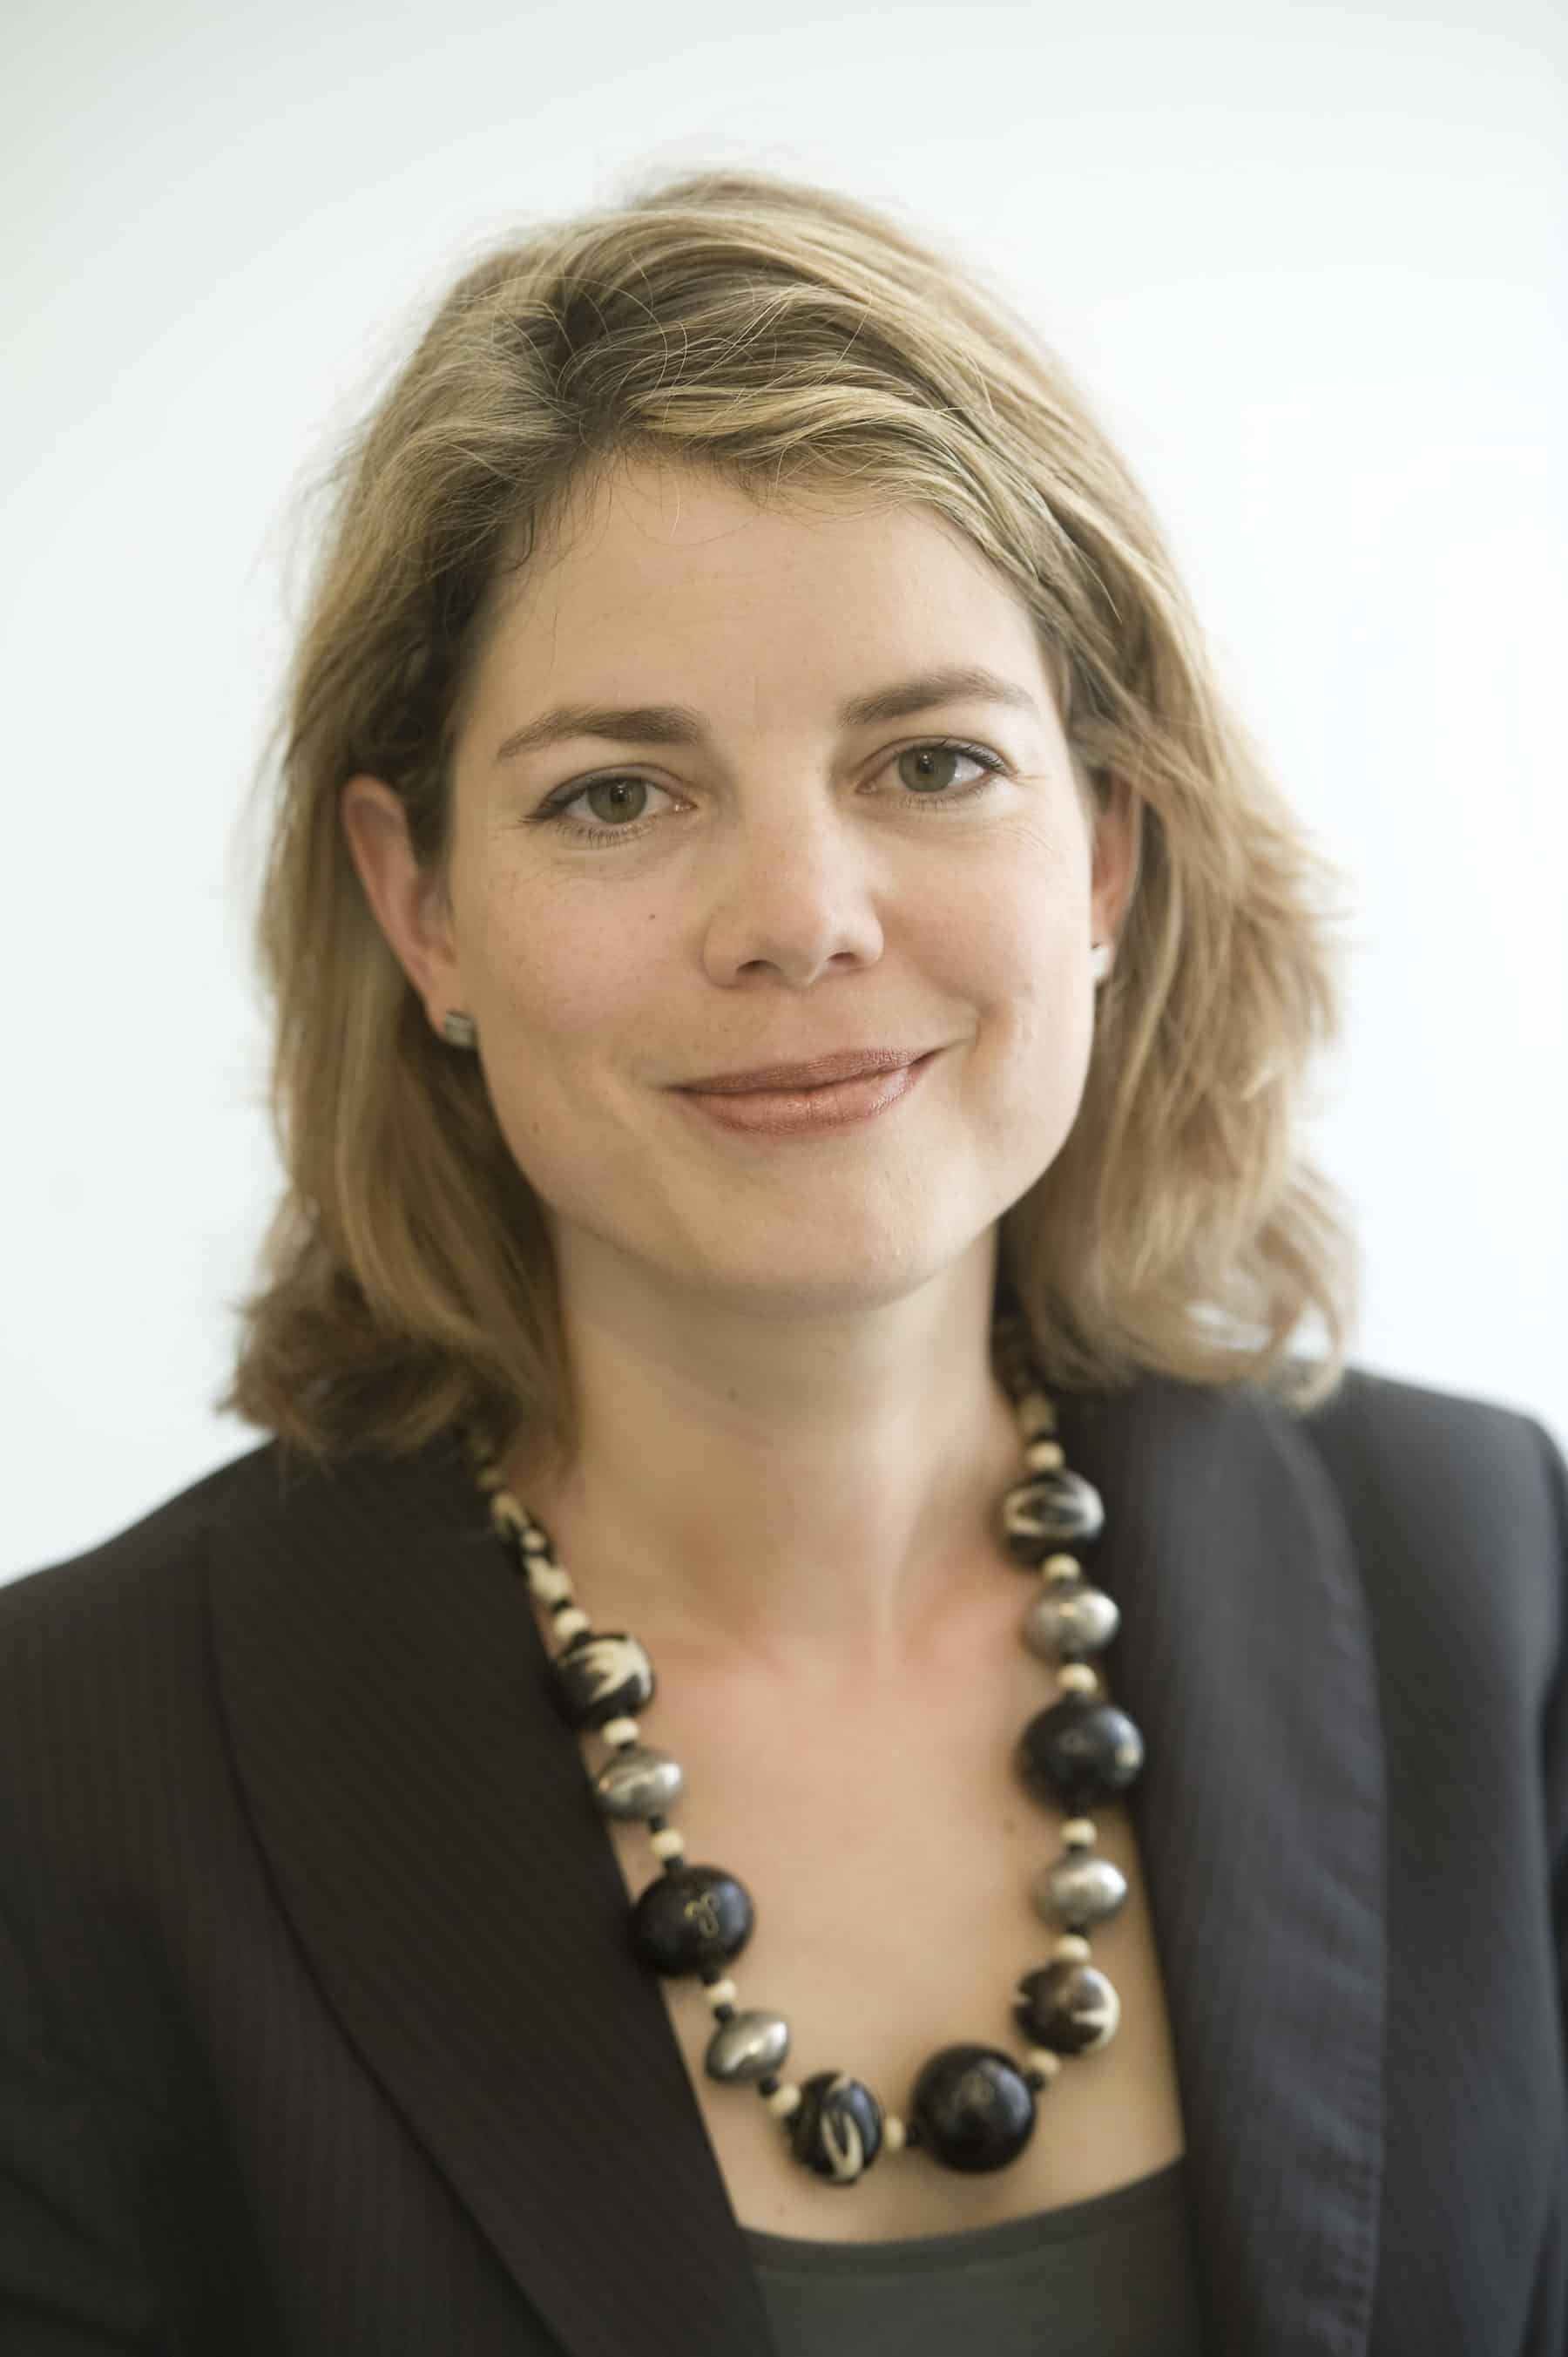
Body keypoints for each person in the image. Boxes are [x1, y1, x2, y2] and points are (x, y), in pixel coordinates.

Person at [1, 165, 1564, 2357]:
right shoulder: (68, 1763)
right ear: (421, 904)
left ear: (1105, 857)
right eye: (617, 796)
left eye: (932, 761)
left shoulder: (1484, 1573)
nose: (801, 917)